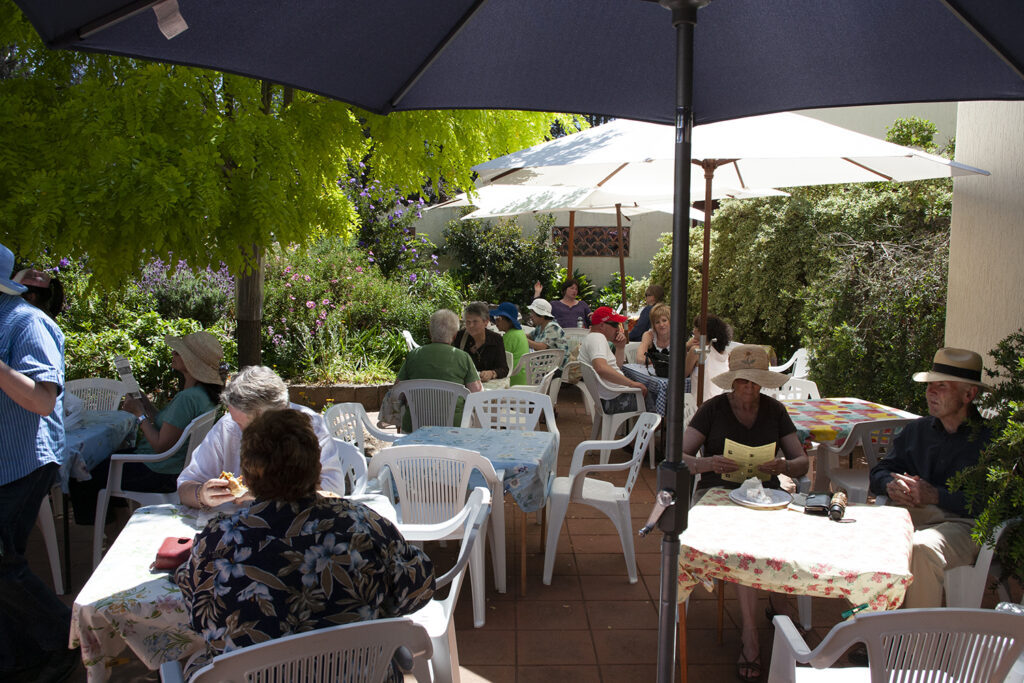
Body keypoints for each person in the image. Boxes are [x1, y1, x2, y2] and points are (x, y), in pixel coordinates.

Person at [176, 408, 434, 680]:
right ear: (317, 468)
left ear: (248, 478)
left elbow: (197, 614)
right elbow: (418, 588)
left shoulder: (218, 542)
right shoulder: (365, 527)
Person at [680, 344, 808, 682]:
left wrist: (784, 465)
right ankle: (751, 635)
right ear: (732, 382)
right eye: (743, 382)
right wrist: (706, 463)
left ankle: (781, 615)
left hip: (765, 495)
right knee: (744, 543)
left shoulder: (774, 410)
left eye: (755, 383)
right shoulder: (713, 410)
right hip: (718, 492)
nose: (749, 389)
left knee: (784, 536)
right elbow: (678, 457)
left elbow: (801, 462)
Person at [0, 243, 79, 682]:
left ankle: (65, 640)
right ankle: (19, 659)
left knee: (2, 563)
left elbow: (43, 400)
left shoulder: (28, 323)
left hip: (23, 460)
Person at [869, 347, 994, 608]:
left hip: (963, 524)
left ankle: (918, 646)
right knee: (866, 532)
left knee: (922, 548)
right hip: (912, 515)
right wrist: (890, 485)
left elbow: (992, 503)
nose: (930, 392)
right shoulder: (916, 431)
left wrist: (936, 495)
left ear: (968, 394)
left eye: (942, 386)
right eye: (929, 386)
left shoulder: (989, 442)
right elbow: (878, 472)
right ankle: (874, 628)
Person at [68, 331, 224, 524]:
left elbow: (160, 445)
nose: (174, 353)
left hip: (158, 470)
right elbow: (170, 427)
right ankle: (117, 521)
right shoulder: (201, 395)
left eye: (178, 352)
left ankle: (106, 528)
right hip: (171, 467)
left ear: (190, 362)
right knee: (104, 462)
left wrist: (138, 414)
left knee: (84, 472)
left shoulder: (187, 398)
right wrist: (145, 405)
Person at [177, 365, 345, 509]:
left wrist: (269, 494)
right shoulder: (228, 426)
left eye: (250, 427)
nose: (244, 435)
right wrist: (202, 495)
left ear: (282, 414)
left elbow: (334, 494)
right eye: (238, 423)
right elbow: (186, 486)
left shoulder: (309, 426)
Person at [394, 309, 482, 431]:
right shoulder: (463, 357)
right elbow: (477, 393)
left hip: (416, 427)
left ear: (430, 333)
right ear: (455, 335)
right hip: (454, 428)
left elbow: (397, 391)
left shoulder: (413, 355)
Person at [578, 306, 647, 412]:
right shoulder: (597, 338)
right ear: (602, 325)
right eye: (615, 325)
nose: (618, 329)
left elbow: (615, 368)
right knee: (657, 396)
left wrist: (620, 348)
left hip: (608, 397)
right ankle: (655, 427)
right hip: (614, 399)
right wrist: (631, 384)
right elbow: (601, 368)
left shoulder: (592, 338)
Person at [452, 301, 508, 382]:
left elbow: (504, 369)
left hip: (488, 388)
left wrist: (492, 373)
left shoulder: (495, 339)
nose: (471, 326)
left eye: (475, 322)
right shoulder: (460, 337)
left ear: (486, 322)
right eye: (468, 322)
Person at [685, 314, 731, 400]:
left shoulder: (698, 351)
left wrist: (686, 346)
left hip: (702, 404)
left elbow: (681, 374)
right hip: (721, 400)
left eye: (695, 328)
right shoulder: (725, 354)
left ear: (703, 332)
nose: (693, 331)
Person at [490, 301, 530, 386]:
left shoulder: (510, 337)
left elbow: (498, 361)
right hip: (523, 378)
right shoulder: (519, 332)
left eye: (499, 318)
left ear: (509, 321)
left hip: (513, 380)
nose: (496, 322)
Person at [525, 298, 569, 368]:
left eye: (533, 313)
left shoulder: (553, 327)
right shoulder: (540, 326)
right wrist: (518, 335)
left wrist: (524, 340)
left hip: (557, 368)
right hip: (545, 365)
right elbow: (530, 336)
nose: (531, 316)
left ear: (541, 315)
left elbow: (541, 347)